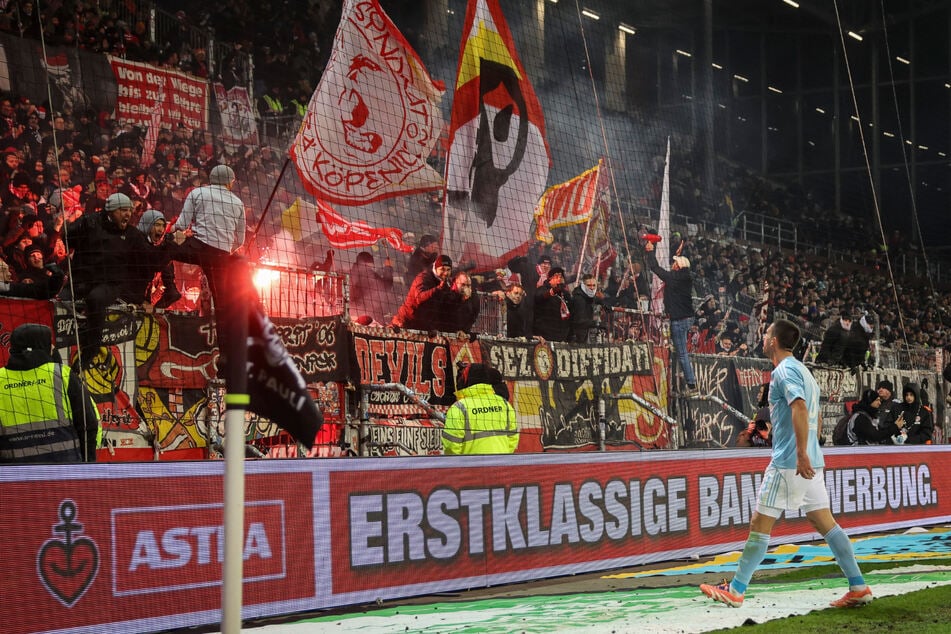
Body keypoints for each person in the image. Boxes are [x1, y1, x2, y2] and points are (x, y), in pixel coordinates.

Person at [700, 319, 872, 609]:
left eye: (767, 334)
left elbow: (800, 407)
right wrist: (808, 453)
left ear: (774, 341)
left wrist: (800, 453)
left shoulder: (784, 371)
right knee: (824, 522)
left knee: (760, 523)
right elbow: (811, 415)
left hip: (790, 462)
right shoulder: (804, 370)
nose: (764, 337)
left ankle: (737, 588)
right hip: (811, 463)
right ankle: (858, 585)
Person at [67, 193, 181, 366]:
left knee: (95, 299)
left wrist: (171, 245)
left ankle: (91, 350)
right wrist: (74, 228)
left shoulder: (133, 235)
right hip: (81, 279)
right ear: (111, 211)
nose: (128, 214)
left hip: (110, 284)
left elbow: (152, 261)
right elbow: (67, 240)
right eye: (123, 210)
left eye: (129, 210)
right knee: (62, 298)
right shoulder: (90, 222)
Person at [0, 323, 100, 463]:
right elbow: (87, 423)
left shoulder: (1, 379)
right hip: (65, 471)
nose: (53, 347)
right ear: (42, 346)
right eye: (49, 343)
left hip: (15, 475)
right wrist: (87, 464)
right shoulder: (62, 374)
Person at [645, 241, 698, 393]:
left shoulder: (675, 278)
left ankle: (691, 383)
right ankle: (682, 377)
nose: (672, 265)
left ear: (679, 266)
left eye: (675, 263)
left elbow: (655, 268)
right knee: (679, 351)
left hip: (679, 320)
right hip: (687, 317)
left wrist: (650, 252)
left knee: (681, 353)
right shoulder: (684, 277)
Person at [442, 363, 518, 455]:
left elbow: (451, 446)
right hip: (501, 465)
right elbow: (513, 439)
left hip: (471, 467)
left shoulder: (459, 408)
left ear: (467, 380)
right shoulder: (504, 404)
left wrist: (462, 466)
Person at [391, 254, 456, 332]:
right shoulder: (423, 277)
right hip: (405, 323)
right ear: (435, 268)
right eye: (442, 269)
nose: (446, 273)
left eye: (448, 270)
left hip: (422, 326)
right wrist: (438, 289)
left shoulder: (446, 282)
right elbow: (419, 298)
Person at [135, 209, 182, 310]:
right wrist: (172, 244)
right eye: (157, 225)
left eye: (163, 226)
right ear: (148, 224)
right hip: (130, 297)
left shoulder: (150, 244)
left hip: (142, 297)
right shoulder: (137, 242)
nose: (161, 229)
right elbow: (155, 263)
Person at [349, 250, 394, 325]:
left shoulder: (352, 272)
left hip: (352, 314)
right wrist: (388, 267)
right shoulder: (367, 273)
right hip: (369, 316)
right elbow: (386, 286)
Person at [532, 266, 571, 342]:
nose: (559, 279)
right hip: (544, 335)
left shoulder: (565, 294)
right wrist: (553, 291)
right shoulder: (542, 289)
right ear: (550, 278)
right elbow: (540, 297)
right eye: (556, 276)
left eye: (561, 277)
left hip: (561, 336)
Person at [568, 273, 605, 343]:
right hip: (576, 335)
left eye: (594, 285)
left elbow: (594, 299)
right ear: (583, 286)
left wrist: (604, 303)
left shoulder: (586, 296)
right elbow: (579, 321)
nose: (592, 288)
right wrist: (597, 324)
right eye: (589, 285)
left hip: (583, 333)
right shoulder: (579, 299)